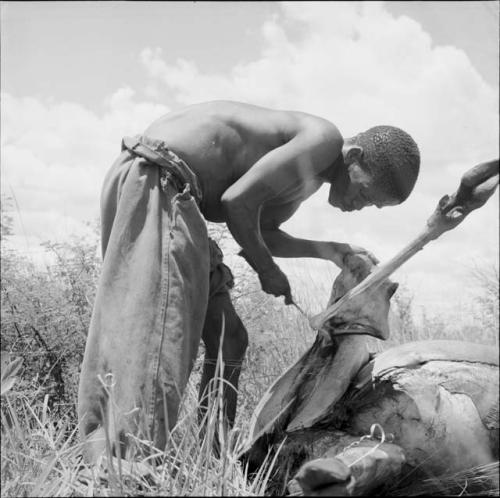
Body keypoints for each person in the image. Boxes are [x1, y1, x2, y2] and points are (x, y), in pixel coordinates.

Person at [77, 100, 420, 461]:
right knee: (152, 339)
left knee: (230, 338)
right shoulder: (323, 140)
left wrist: (335, 250)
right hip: (158, 178)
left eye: (369, 206)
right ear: (354, 156)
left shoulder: (307, 178)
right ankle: (117, 467)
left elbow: (262, 232)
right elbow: (237, 204)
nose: (357, 206)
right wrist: (267, 270)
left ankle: (211, 457)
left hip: (180, 198)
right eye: (364, 194)